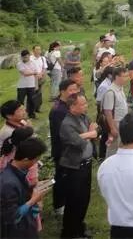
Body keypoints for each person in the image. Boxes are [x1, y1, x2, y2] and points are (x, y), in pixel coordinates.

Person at [59, 94, 97, 238]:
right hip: (74, 167)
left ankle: (80, 227)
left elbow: (96, 130)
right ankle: (70, 232)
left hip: (86, 165)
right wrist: (90, 133)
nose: (86, 106)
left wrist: (89, 134)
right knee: (74, 200)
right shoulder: (67, 124)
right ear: (72, 106)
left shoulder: (83, 117)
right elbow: (77, 142)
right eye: (82, 104)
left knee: (84, 199)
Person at [0, 137, 49, 239]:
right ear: (26, 159)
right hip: (17, 232)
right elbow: (12, 217)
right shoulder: (8, 183)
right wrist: (33, 200)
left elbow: (20, 195)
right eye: (36, 160)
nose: (36, 163)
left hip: (26, 225)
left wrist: (34, 188)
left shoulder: (18, 173)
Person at [49, 80, 80, 217]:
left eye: (76, 89)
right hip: (62, 150)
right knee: (61, 178)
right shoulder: (58, 110)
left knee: (70, 178)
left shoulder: (69, 105)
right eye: (71, 90)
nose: (75, 92)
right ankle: (59, 205)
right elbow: (62, 133)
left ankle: (68, 200)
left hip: (72, 148)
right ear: (62, 91)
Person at [102, 67, 129, 157]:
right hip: (115, 123)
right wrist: (112, 128)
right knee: (113, 149)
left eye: (127, 76)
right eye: (124, 76)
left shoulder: (120, 88)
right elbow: (108, 112)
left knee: (121, 147)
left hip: (122, 123)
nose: (127, 79)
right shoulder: (111, 92)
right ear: (117, 77)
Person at [16, 50, 39, 119]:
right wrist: (33, 72)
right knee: (20, 102)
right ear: (21, 57)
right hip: (21, 86)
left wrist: (36, 85)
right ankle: (20, 116)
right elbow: (25, 73)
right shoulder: (19, 64)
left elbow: (36, 75)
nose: (25, 58)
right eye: (24, 57)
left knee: (32, 101)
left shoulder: (33, 63)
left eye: (26, 57)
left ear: (29, 56)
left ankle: (31, 114)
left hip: (31, 85)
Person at [30, 46, 47, 114]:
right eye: (37, 49)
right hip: (33, 78)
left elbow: (44, 68)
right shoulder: (30, 58)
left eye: (39, 49)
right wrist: (36, 75)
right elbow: (29, 68)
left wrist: (41, 74)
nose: (38, 51)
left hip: (41, 77)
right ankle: (31, 110)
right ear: (33, 50)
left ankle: (37, 108)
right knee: (32, 93)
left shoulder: (42, 58)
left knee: (39, 93)